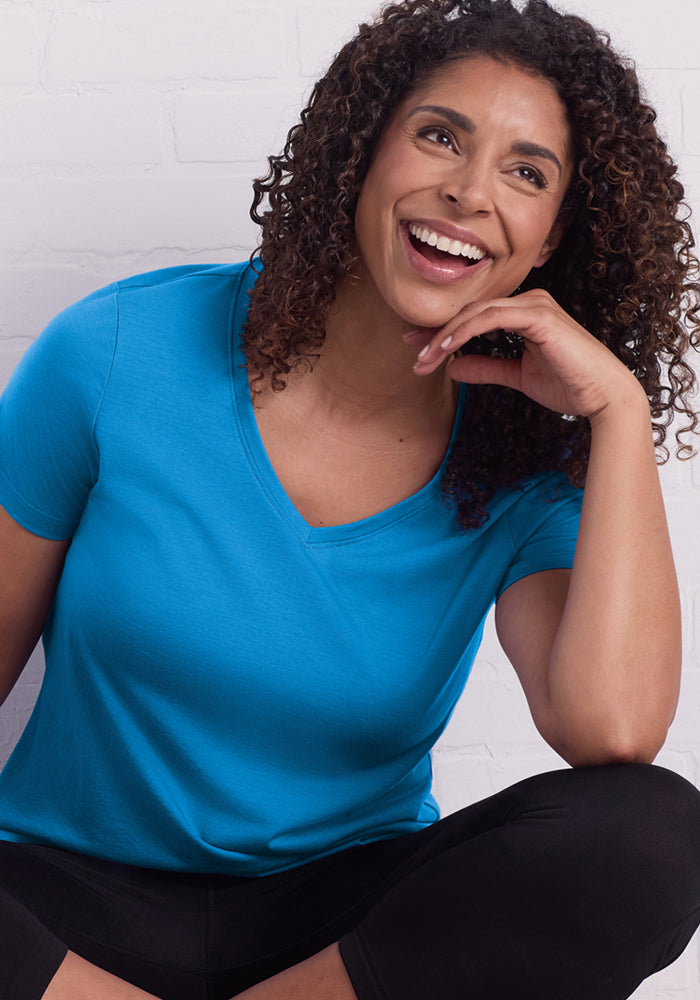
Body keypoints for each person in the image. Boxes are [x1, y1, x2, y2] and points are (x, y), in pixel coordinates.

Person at [1, 0, 700, 997]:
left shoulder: (524, 459)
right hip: (66, 902)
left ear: (550, 240)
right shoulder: (118, 352)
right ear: (362, 153)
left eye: (525, 171)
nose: (468, 192)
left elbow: (613, 734)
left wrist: (619, 414)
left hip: (337, 932)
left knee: (652, 837)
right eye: (439, 136)